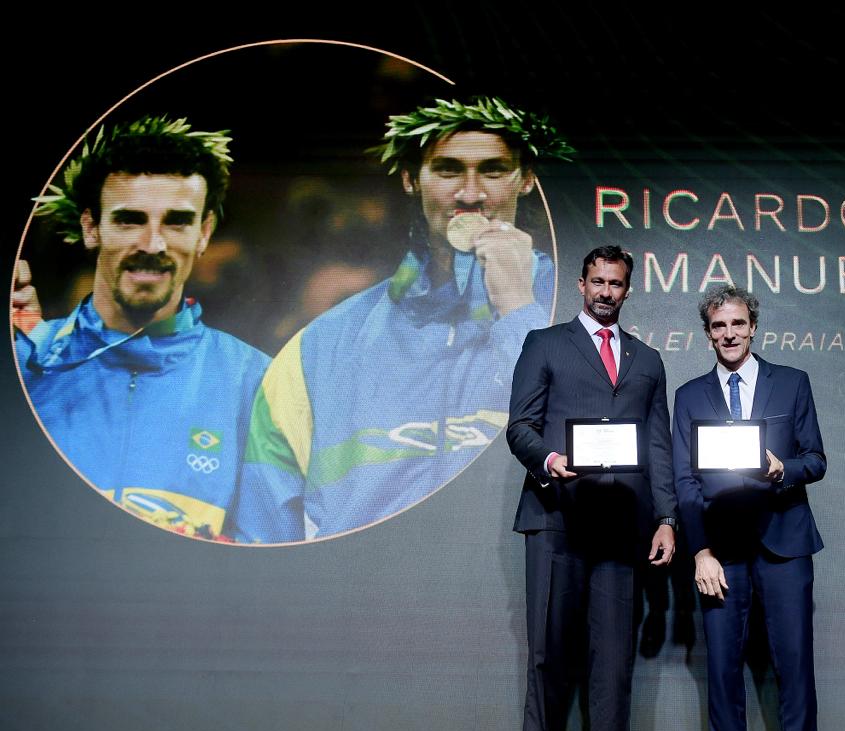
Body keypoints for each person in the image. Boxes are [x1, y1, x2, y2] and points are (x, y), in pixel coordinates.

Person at [237, 96, 571, 542]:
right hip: (369, 598)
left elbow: (592, 443)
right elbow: (265, 534)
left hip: (521, 589)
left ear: (526, 179)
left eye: (493, 170)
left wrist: (516, 308)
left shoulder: (577, 306)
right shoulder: (319, 348)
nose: (471, 193)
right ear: (411, 178)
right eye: (448, 169)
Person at [15, 117, 268, 541]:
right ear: (91, 227)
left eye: (177, 222)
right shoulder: (26, 363)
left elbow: (269, 551)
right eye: (130, 220)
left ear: (204, 233)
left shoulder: (256, 383)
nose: (153, 244)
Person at [507, 245, 676, 731]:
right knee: (549, 659)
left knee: (613, 666)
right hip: (556, 520)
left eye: (617, 284)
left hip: (621, 530)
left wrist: (667, 518)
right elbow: (519, 427)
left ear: (628, 290)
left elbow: (658, 447)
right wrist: (549, 458)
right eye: (598, 281)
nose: (607, 292)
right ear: (582, 284)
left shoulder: (649, 361)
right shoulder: (544, 344)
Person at [671, 284, 827, 731]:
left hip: (785, 544)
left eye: (737, 324)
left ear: (753, 326)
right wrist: (701, 551)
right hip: (723, 553)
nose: (729, 334)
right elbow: (685, 482)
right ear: (707, 333)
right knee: (722, 674)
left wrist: (783, 468)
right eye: (718, 327)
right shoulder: (690, 395)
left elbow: (816, 460)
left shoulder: (792, 382)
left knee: (795, 672)